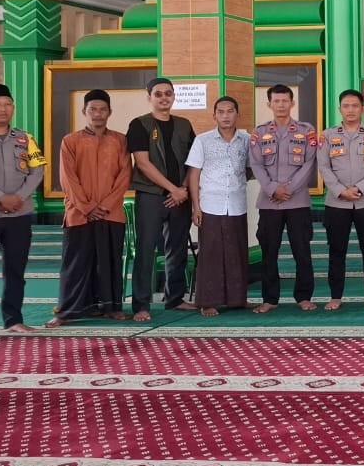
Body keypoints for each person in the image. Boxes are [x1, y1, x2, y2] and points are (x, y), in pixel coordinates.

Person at [46, 89, 131, 328]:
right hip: (79, 213)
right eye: (93, 109)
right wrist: (87, 206)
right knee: (75, 263)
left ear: (110, 112)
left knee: (109, 262)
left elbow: (124, 175)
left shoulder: (120, 140)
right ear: (84, 111)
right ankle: (67, 310)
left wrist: (104, 205)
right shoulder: (70, 141)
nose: (97, 114)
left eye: (102, 109)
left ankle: (111, 307)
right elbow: (67, 178)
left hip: (111, 213)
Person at [0, 83, 46, 341]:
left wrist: (19, 198)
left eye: (7, 104)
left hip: (19, 215)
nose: (3, 109)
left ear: (13, 108)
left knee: (16, 270)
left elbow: (38, 170)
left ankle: (13, 320)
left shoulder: (26, 139)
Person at [127, 77, 196, 322]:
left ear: (174, 96)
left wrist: (183, 189)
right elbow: (143, 163)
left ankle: (174, 298)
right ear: (149, 97)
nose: (164, 98)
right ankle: (141, 305)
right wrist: (172, 190)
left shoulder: (184, 125)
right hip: (151, 195)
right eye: (158, 94)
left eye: (168, 93)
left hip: (181, 196)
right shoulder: (139, 124)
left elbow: (193, 161)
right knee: (146, 250)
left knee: (177, 248)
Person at [250, 84, 319, 312]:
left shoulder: (306, 131)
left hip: (297, 201)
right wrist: (273, 189)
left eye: (285, 101)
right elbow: (256, 164)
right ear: (269, 104)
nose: (281, 105)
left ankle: (304, 297)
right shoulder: (259, 132)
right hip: (269, 202)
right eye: (276, 101)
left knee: (302, 251)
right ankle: (270, 299)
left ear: (292, 103)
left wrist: (288, 189)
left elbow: (309, 163)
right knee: (269, 252)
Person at [319, 89, 364, 310]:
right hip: (336, 203)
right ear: (339, 109)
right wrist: (341, 190)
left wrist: (360, 188)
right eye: (346, 106)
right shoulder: (327, 135)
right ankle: (335, 296)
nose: (350, 110)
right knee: (336, 250)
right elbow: (323, 167)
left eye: (355, 106)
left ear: (362, 109)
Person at [186, 96, 251, 317]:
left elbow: (250, 168)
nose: (225, 116)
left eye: (230, 111)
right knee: (211, 254)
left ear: (238, 115)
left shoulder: (246, 140)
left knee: (237, 252)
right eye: (221, 112)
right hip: (210, 205)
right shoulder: (202, 140)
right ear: (214, 116)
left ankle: (237, 299)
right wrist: (196, 207)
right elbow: (194, 175)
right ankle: (208, 302)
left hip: (237, 204)